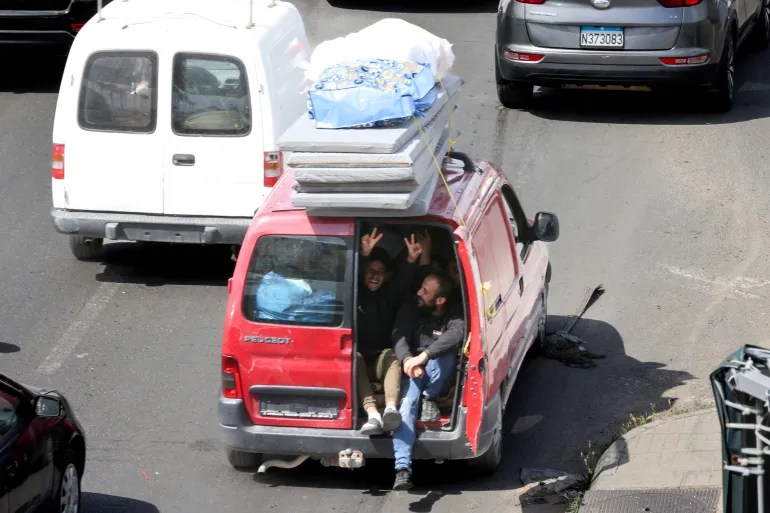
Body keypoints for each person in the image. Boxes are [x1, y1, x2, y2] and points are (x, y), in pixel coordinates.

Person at [389, 272, 464, 490]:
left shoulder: (454, 314)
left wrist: (425, 356)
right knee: (407, 407)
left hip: (436, 372)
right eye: (421, 287)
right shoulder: (411, 308)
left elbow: (456, 334)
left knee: (445, 355)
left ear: (440, 300)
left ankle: (430, 397)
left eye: (425, 291)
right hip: (414, 369)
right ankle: (402, 469)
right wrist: (408, 360)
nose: (418, 293)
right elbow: (399, 337)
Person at [356, 227, 424, 436]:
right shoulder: (356, 292)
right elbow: (353, 275)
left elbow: (402, 281)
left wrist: (411, 259)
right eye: (371, 270)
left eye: (380, 272)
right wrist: (364, 254)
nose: (375, 276)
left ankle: (391, 410)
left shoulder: (389, 295)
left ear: (386, 276)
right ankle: (372, 414)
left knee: (393, 356)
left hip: (380, 359)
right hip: (358, 359)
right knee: (354, 357)